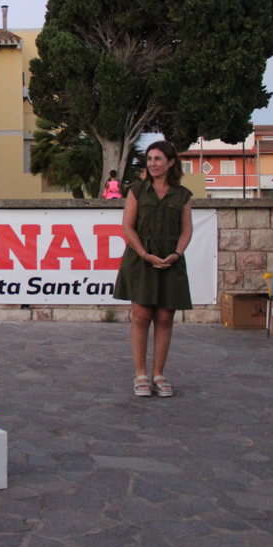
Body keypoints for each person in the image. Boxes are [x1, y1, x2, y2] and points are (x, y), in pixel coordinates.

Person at [114, 141, 193, 398]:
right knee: (141, 315)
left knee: (165, 317)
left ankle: (159, 374)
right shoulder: (137, 191)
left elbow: (187, 230)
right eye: (149, 159)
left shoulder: (183, 195)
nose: (152, 163)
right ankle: (141, 374)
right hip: (141, 259)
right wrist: (144, 254)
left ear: (171, 162)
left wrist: (176, 254)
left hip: (170, 261)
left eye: (158, 158)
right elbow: (127, 227)